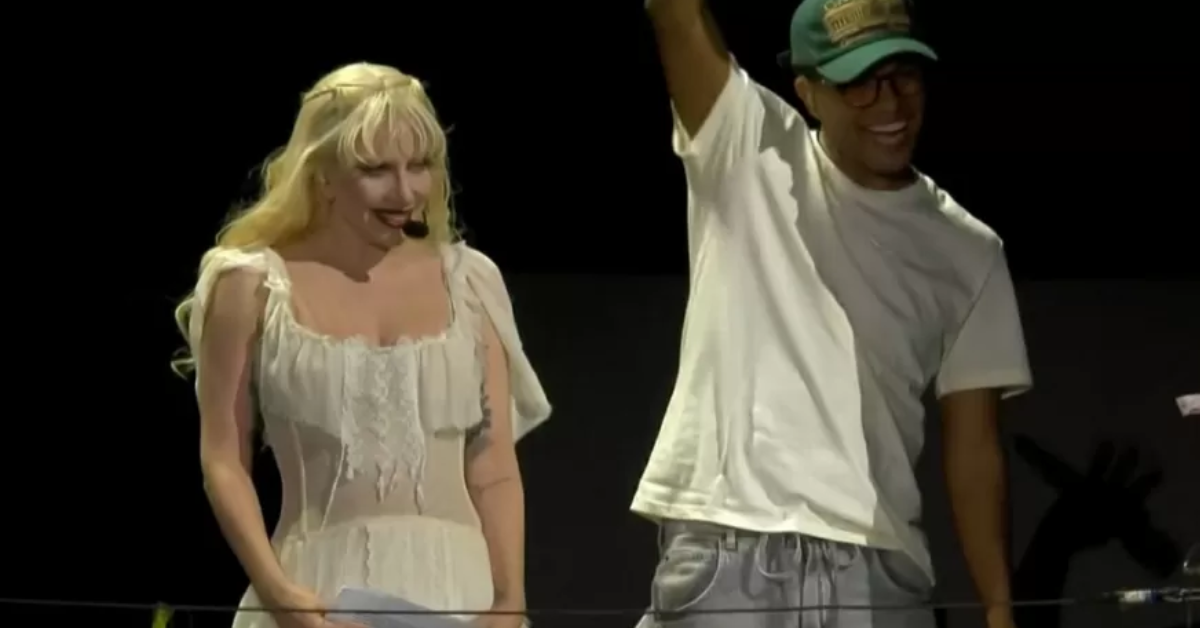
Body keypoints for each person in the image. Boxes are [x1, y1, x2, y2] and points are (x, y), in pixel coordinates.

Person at [631, 1, 1032, 627]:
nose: (890, 103)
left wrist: (1000, 612)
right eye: (859, 82)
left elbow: (975, 451)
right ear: (808, 92)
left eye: (903, 75)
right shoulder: (751, 149)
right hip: (732, 548)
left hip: (880, 575)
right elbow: (676, 15)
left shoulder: (970, 250)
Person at [172, 62, 551, 628]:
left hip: (459, 596)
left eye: (420, 165)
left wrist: (509, 602)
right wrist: (279, 593)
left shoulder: (471, 282)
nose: (405, 191)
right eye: (375, 169)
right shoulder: (249, 285)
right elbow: (224, 460)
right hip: (315, 594)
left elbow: (493, 464)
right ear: (321, 173)